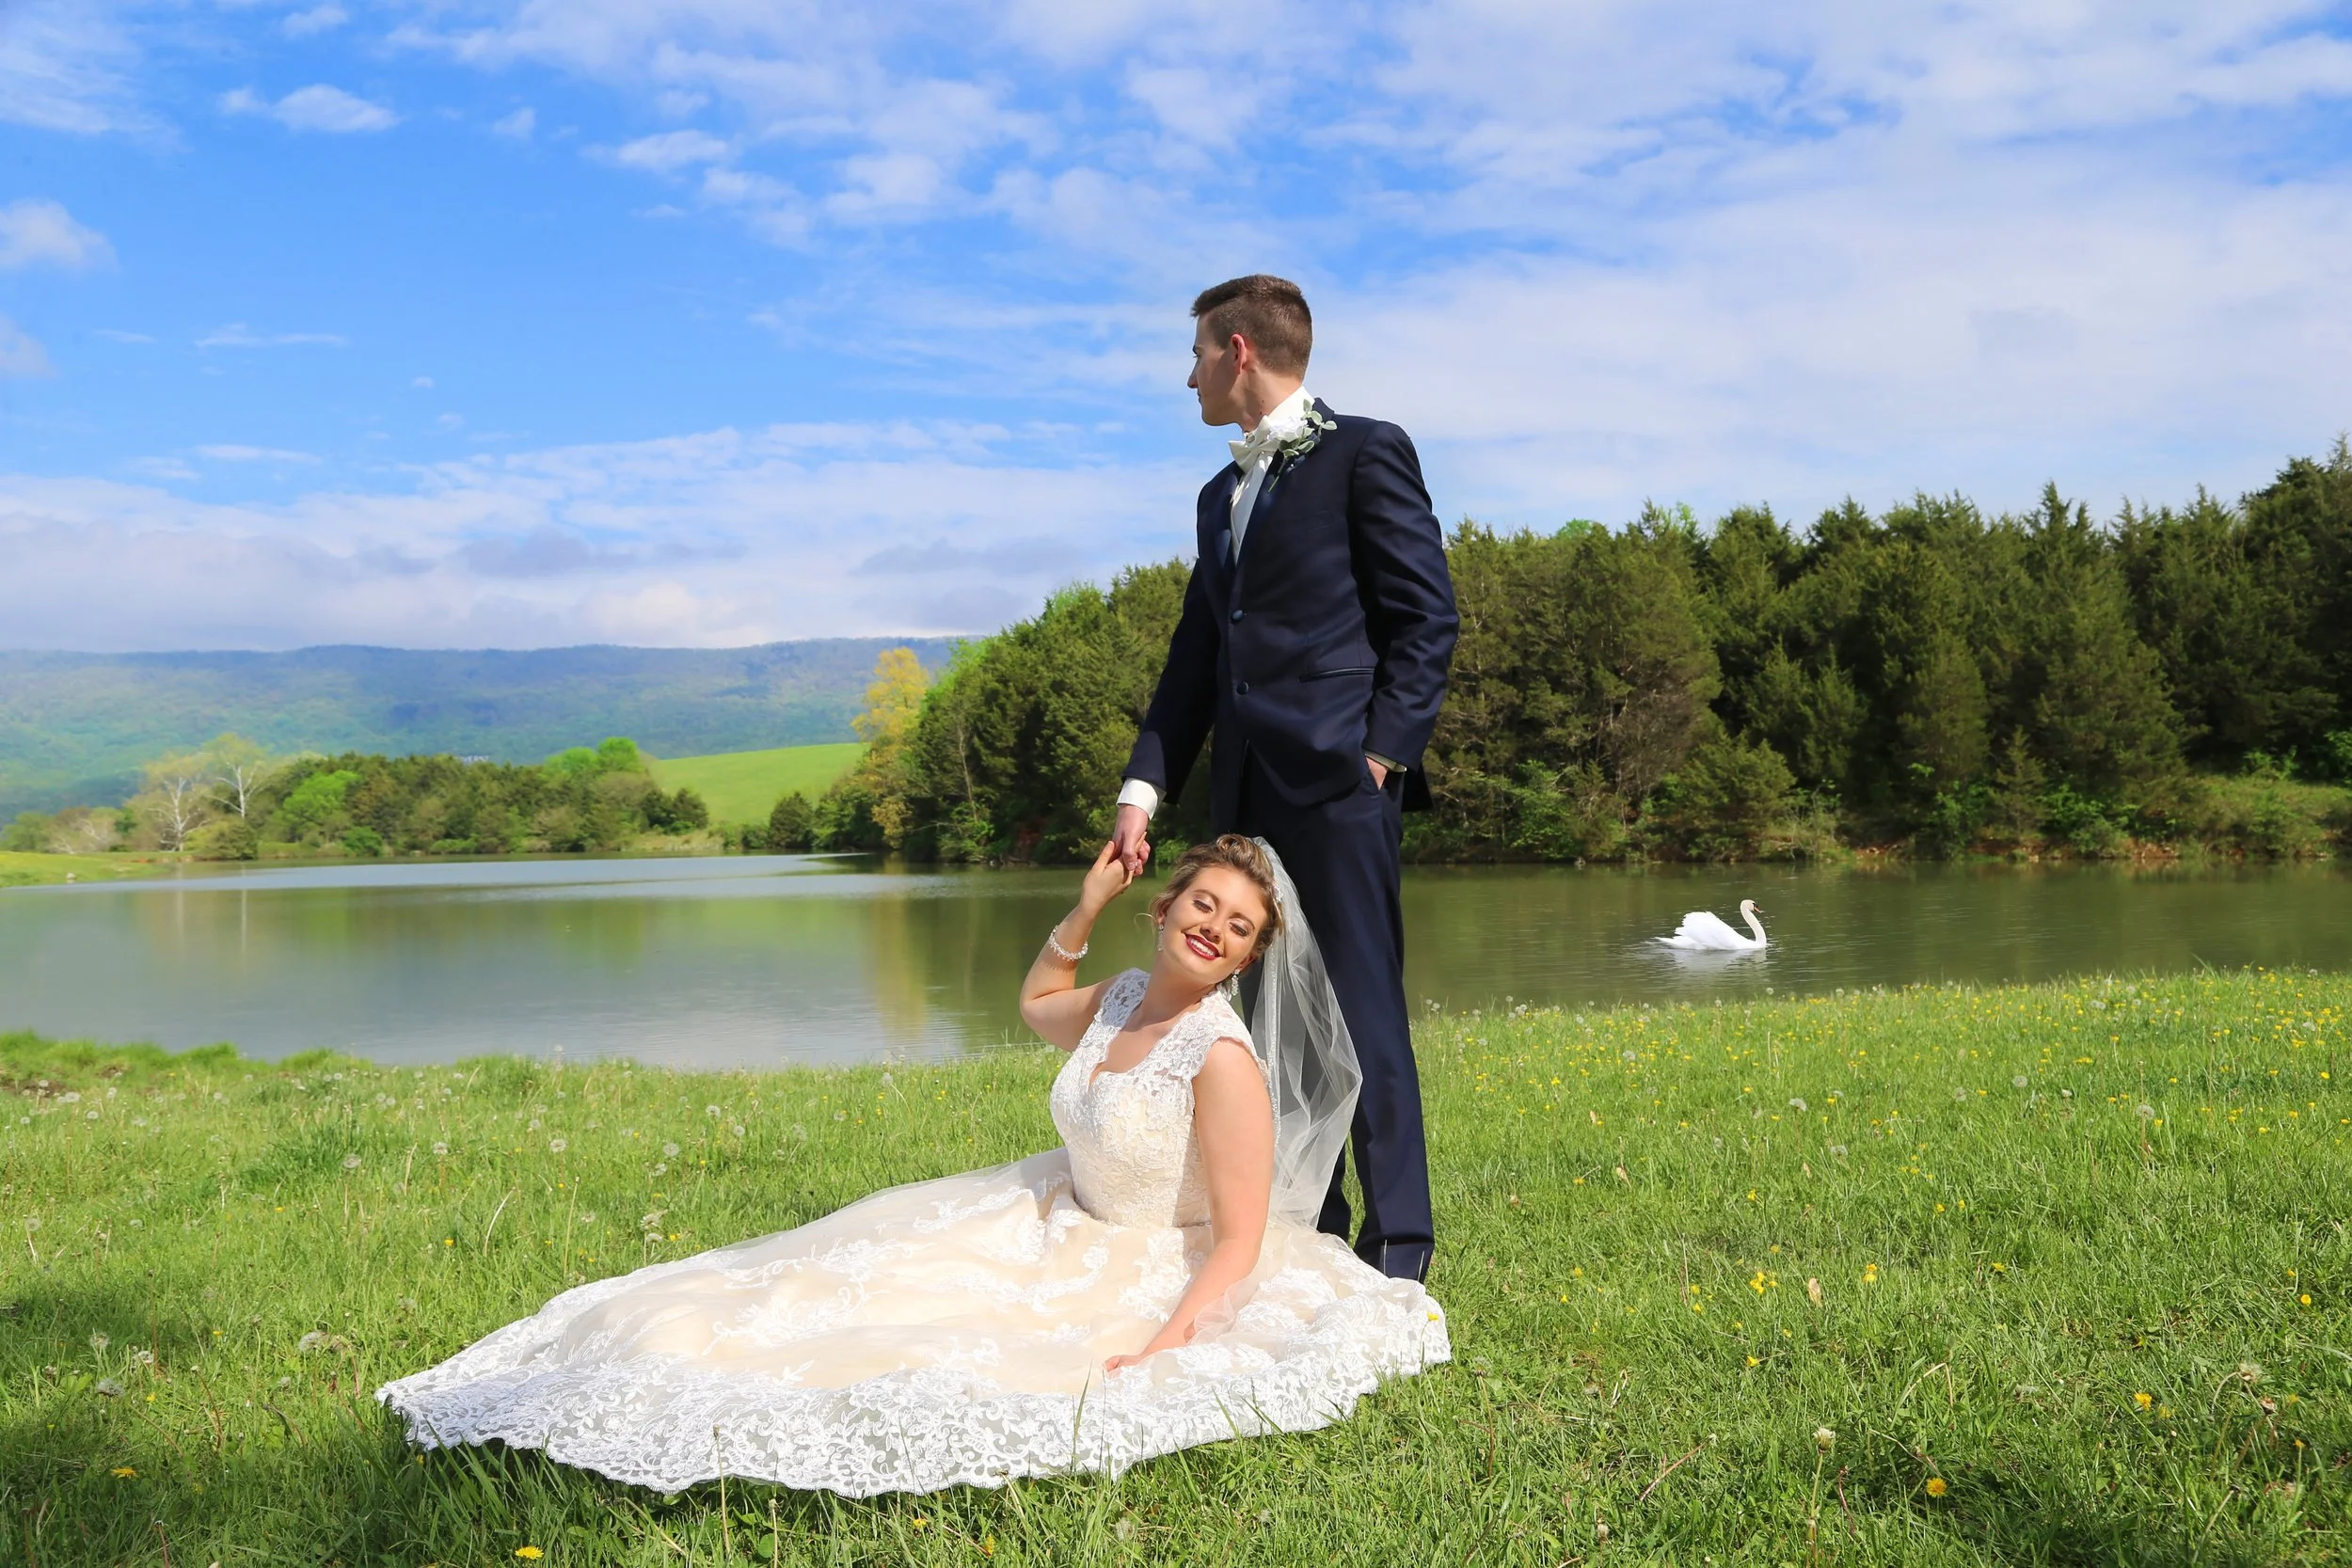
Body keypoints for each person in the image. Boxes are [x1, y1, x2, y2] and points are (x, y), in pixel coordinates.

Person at [377, 836, 1447, 1497]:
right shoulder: (1120, 994)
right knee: (809, 1281)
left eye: (1239, 924)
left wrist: (1165, 1343)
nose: (1213, 926)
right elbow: (1034, 1005)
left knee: (946, 1350)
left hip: (1151, 1256)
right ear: (1161, 909)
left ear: (1254, 955)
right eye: (1201, 904)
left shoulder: (1219, 1058)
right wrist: (1079, 907)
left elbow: (1244, 1239)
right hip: (1051, 1211)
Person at [1110, 275, 1459, 1284]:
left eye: (1195, 359)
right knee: (1263, 1031)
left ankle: (1400, 1255)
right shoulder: (1218, 496)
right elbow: (1194, 661)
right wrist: (1142, 792)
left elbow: (1425, 615)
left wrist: (1381, 752)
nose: (1188, 381)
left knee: (1360, 1016)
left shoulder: (1366, 450)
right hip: (1244, 803)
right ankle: (1309, 1233)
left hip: (1341, 788)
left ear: (1238, 350)